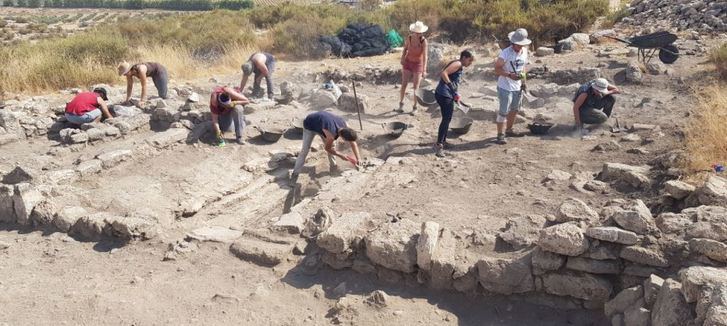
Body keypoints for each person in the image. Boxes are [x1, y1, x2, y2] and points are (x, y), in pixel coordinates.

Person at [290, 111, 360, 182]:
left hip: (322, 124)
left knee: (332, 146)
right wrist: (341, 155)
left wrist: (358, 159)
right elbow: (327, 148)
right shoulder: (331, 135)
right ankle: (295, 175)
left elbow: (353, 143)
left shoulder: (346, 126)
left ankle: (333, 167)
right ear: (343, 138)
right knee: (305, 150)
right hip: (310, 125)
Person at [434, 50, 475, 157]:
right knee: (446, 119)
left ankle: (443, 142)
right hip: (444, 94)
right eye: (470, 60)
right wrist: (452, 90)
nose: (470, 63)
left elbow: (452, 80)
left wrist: (455, 94)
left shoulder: (459, 65)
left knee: (447, 119)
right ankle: (439, 146)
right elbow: (443, 73)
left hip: (446, 94)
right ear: (464, 57)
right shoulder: (458, 63)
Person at [493, 28, 531, 145]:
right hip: (505, 86)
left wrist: (524, 82)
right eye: (518, 45)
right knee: (503, 112)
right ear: (513, 43)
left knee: (514, 109)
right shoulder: (505, 53)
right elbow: (497, 69)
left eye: (522, 45)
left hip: (517, 86)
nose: (520, 47)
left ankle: (509, 130)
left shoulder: (524, 51)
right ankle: (500, 135)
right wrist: (509, 74)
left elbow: (523, 67)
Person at [397, 21, 429, 113]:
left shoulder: (423, 41)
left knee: (416, 87)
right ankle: (401, 104)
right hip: (408, 62)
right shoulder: (410, 38)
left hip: (418, 64)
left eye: (421, 32)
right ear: (414, 32)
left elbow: (425, 56)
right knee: (404, 84)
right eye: (418, 32)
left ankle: (415, 107)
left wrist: (424, 69)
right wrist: (402, 58)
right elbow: (405, 49)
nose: (419, 34)